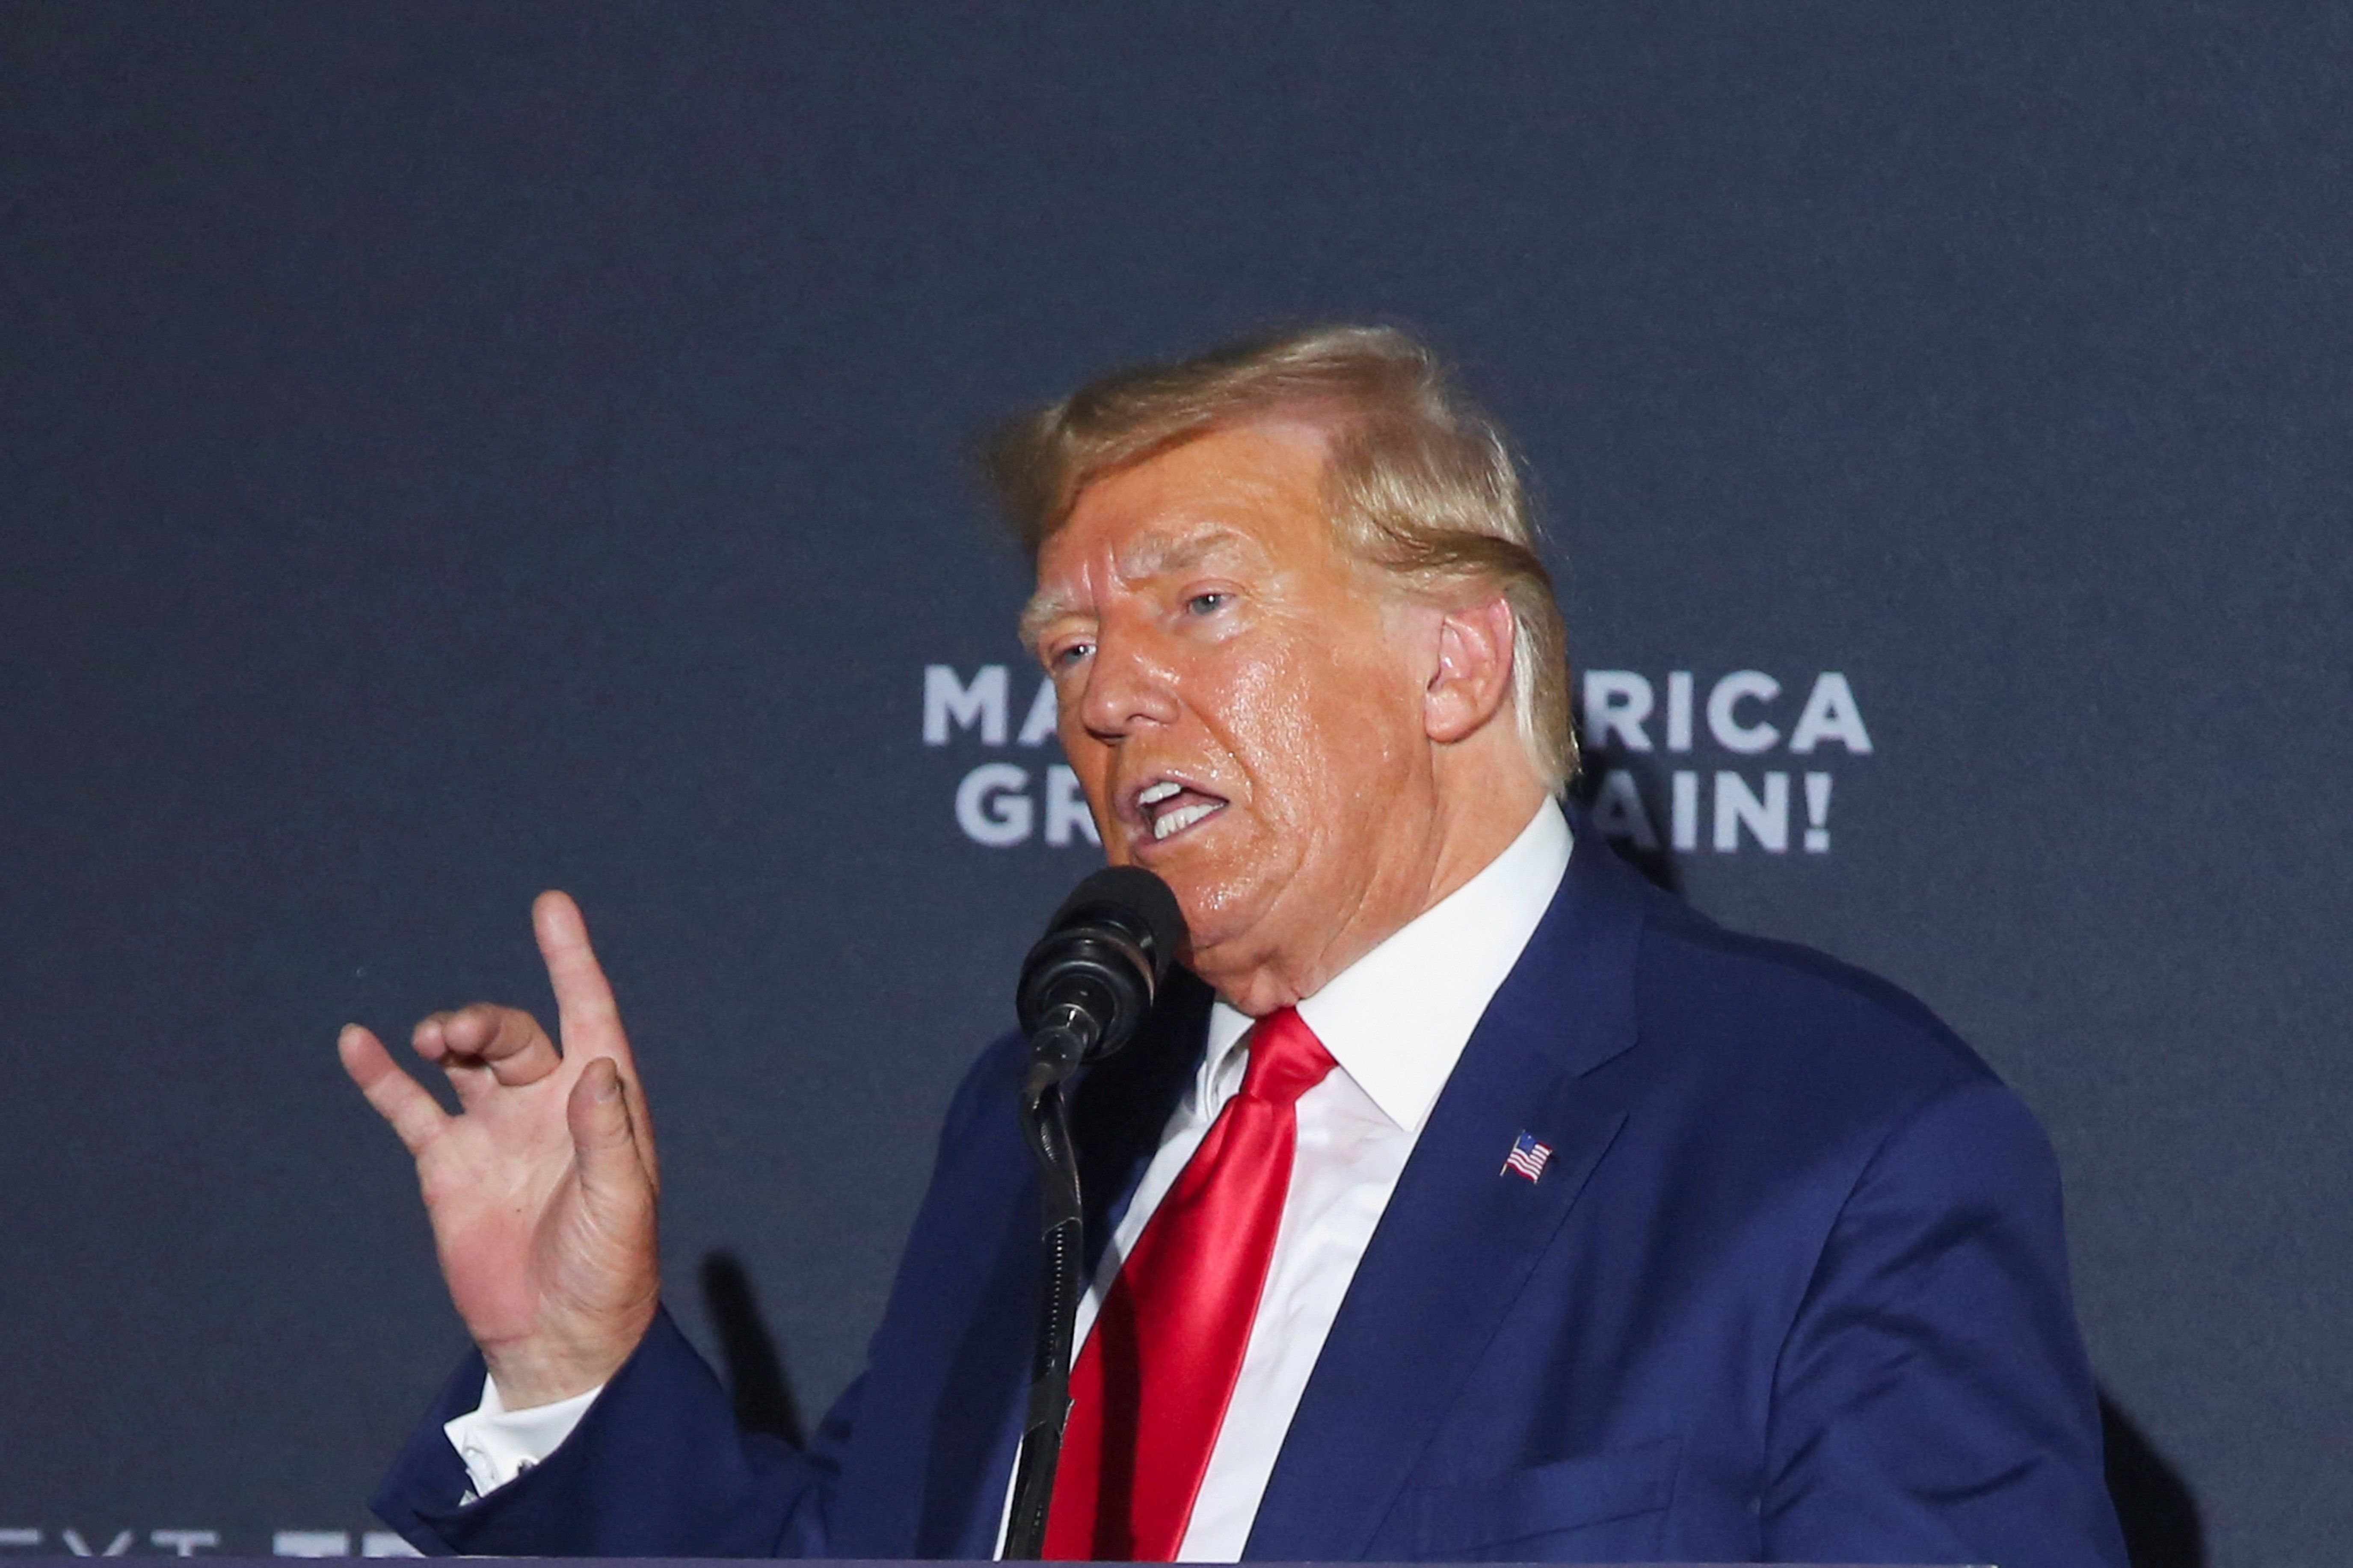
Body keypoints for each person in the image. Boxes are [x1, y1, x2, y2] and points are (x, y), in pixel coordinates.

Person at [345, 326, 2129, 1564]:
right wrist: (574, 1359)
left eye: (1200, 605)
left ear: (1455, 658)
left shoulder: (1831, 1140)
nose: (1108, 694)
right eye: (1062, 649)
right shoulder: (1044, 1108)